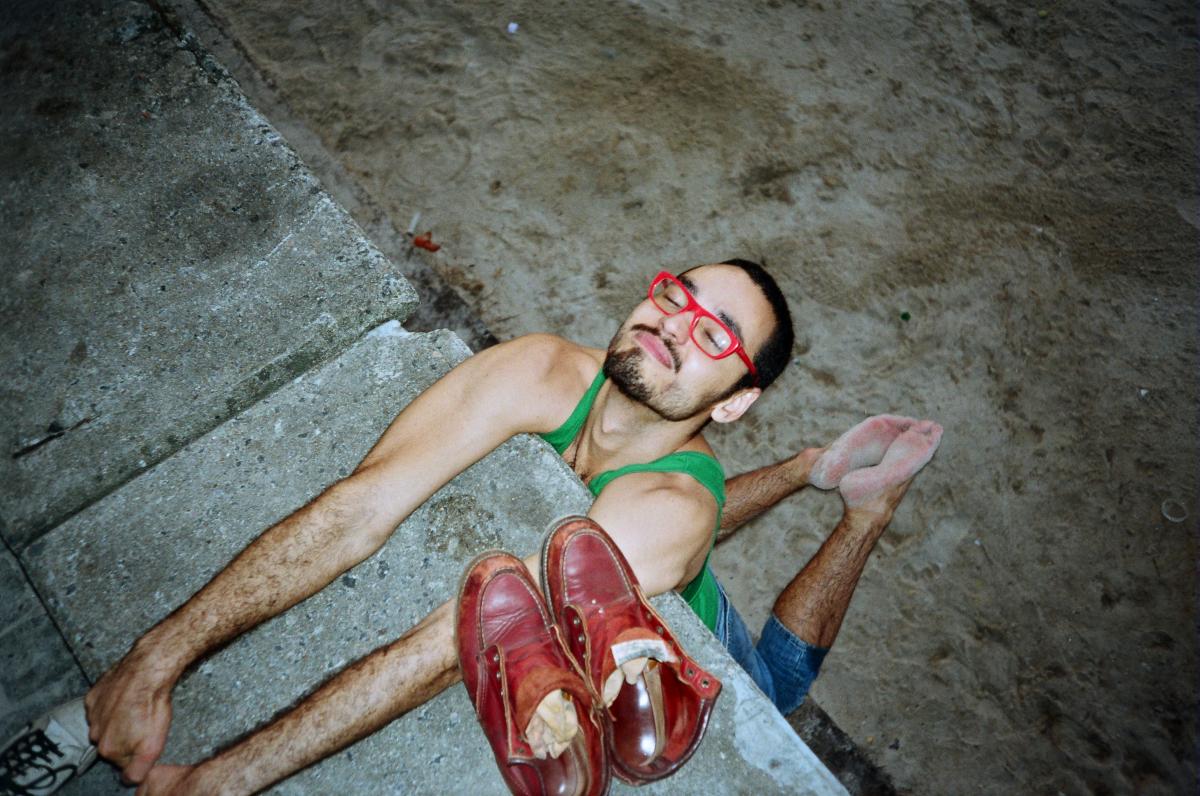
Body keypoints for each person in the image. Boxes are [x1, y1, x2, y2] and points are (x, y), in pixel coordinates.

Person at [1, 260, 941, 795]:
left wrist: (224, 780)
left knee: (776, 682)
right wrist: (151, 660)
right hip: (656, 524)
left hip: (713, 633)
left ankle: (865, 511)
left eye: (713, 336)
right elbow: (361, 504)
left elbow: (457, 644)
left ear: (733, 401)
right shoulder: (541, 370)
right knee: (656, 525)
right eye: (677, 295)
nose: (672, 322)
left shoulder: (675, 507)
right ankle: (816, 470)